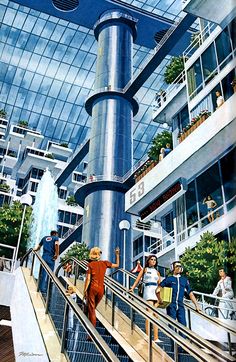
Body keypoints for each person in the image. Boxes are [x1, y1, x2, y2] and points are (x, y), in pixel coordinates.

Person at [83, 246, 120, 328]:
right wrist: (117, 255)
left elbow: (88, 279)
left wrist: (85, 291)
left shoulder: (90, 265)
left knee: (91, 309)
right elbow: (117, 265)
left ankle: (91, 331)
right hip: (101, 289)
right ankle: (87, 316)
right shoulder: (105, 263)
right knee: (92, 308)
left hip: (92, 288)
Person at [156, 261, 200, 329]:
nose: (179, 268)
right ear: (172, 268)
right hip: (171, 306)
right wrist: (160, 299)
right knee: (172, 326)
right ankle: (173, 339)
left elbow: (190, 294)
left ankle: (182, 339)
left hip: (180, 306)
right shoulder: (169, 279)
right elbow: (158, 290)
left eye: (180, 266)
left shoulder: (184, 280)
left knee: (183, 326)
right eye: (177, 266)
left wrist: (197, 305)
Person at [129, 255, 161, 342]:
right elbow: (138, 279)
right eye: (152, 259)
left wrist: (160, 298)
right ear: (148, 261)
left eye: (155, 260)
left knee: (156, 315)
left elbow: (160, 284)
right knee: (149, 313)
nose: (153, 261)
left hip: (156, 292)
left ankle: (156, 337)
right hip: (148, 291)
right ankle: (147, 335)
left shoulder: (157, 272)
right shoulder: (145, 269)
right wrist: (132, 288)